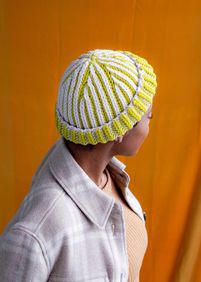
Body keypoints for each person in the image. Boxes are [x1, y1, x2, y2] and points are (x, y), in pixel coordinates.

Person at [0, 49, 157, 281]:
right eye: (149, 117)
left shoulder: (111, 177)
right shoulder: (36, 232)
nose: (150, 126)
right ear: (121, 129)